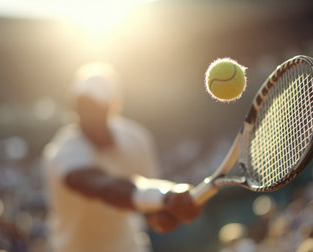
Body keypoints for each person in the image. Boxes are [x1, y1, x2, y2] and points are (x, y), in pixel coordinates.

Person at [43, 62, 201, 252]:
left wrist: (160, 214)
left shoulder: (137, 139)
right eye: (81, 105)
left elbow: (147, 209)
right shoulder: (64, 151)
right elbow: (103, 187)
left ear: (113, 107)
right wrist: (165, 195)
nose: (86, 113)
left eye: (95, 105)